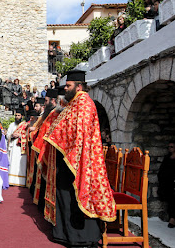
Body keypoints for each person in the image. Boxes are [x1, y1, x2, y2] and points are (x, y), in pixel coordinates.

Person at [41, 70, 116, 247]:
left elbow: (78, 133)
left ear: (79, 86)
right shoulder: (74, 103)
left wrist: (58, 137)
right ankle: (65, 233)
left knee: (73, 195)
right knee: (64, 195)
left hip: (78, 159)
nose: (66, 89)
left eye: (68, 86)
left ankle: (81, 237)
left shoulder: (84, 103)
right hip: (68, 159)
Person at [158, 141, 175, 228]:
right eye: (169, 147)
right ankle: (174, 217)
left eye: (172, 147)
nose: (170, 148)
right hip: (169, 183)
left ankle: (173, 218)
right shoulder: (167, 158)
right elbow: (163, 170)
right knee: (171, 200)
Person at [7, 109, 28, 186]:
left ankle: (20, 182)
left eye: (18, 115)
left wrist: (19, 136)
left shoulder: (26, 125)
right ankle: (11, 180)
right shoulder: (12, 125)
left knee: (20, 164)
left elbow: (27, 135)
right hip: (13, 147)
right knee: (12, 163)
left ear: (22, 116)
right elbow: (8, 135)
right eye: (16, 115)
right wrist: (12, 136)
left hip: (20, 148)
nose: (17, 117)